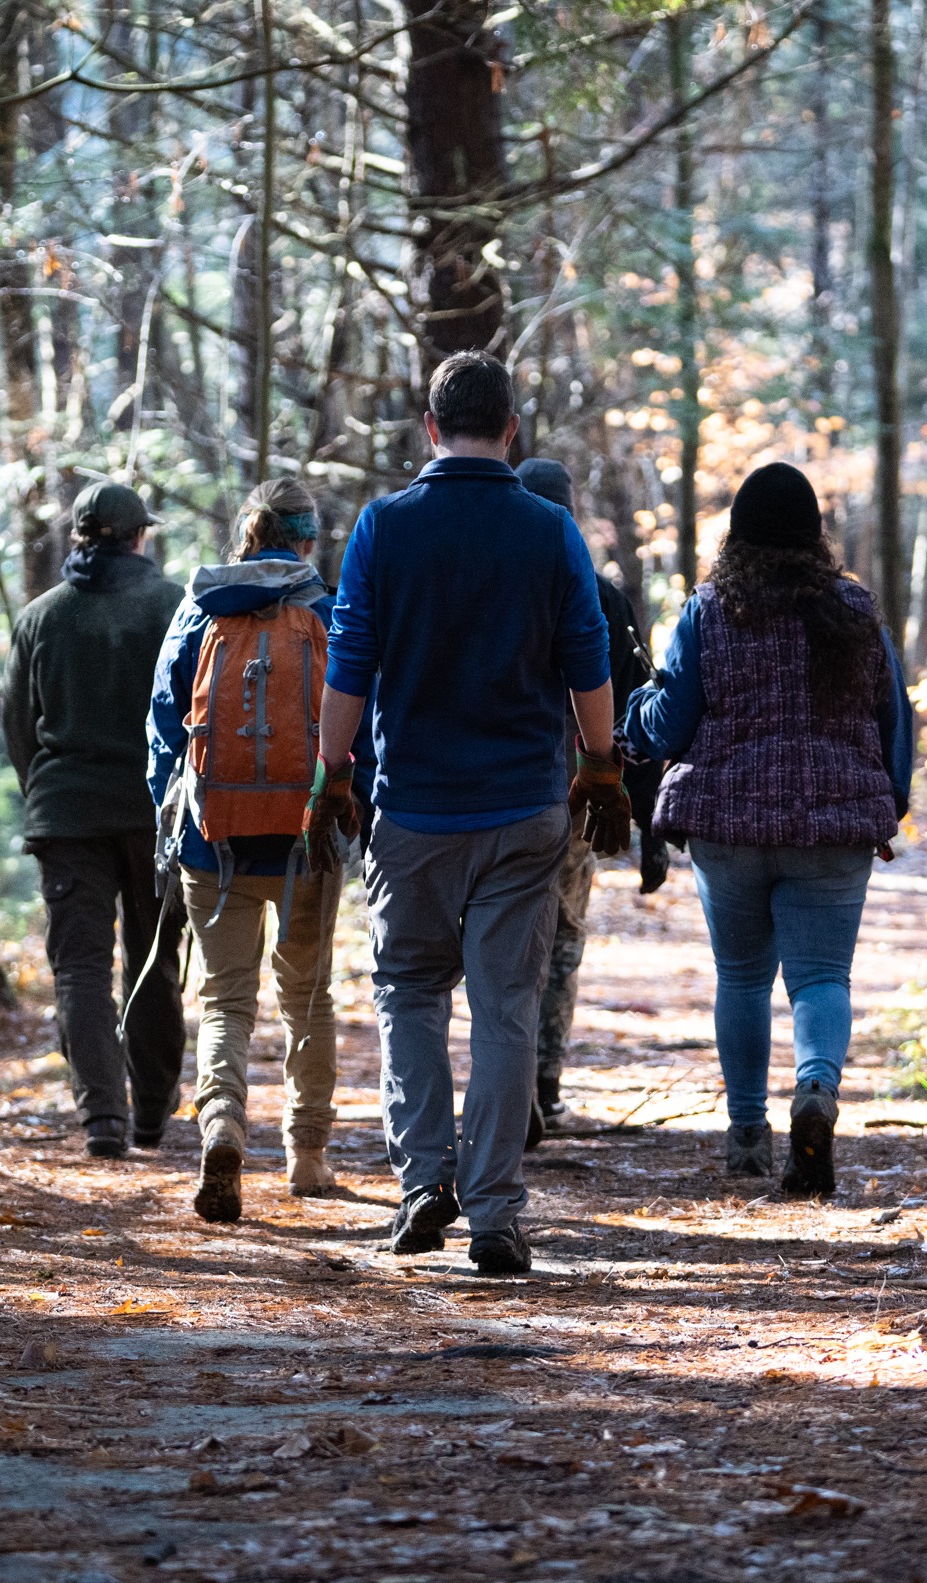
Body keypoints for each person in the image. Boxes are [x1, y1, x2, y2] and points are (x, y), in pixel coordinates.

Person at [306, 353, 631, 1276]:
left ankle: (422, 1186)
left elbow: (350, 664)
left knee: (409, 989)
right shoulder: (549, 530)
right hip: (524, 806)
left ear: (430, 427)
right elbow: (588, 661)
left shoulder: (383, 527)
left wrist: (333, 772)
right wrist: (600, 767)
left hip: (410, 809)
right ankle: (494, 1212)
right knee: (504, 1008)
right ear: (514, 429)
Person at [624, 463, 914, 1198]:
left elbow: (670, 722)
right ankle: (815, 1088)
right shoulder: (856, 612)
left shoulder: (710, 610)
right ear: (814, 535)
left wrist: (633, 718)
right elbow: (894, 720)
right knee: (820, 977)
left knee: (743, 977)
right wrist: (888, 802)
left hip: (730, 823)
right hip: (835, 825)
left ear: (738, 535)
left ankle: (747, 1134)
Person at [146, 479, 345, 1222]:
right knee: (307, 995)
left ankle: (223, 1122)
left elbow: (166, 721)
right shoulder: (325, 608)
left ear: (247, 531)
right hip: (305, 835)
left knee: (226, 997)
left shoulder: (203, 604)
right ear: (306, 540)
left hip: (213, 836)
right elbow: (360, 711)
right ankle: (308, 1155)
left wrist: (170, 816)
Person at [3, 481, 189, 1160]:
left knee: (80, 968)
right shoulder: (173, 606)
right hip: (153, 813)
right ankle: (150, 1112)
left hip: (67, 815)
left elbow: (18, 728)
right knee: (154, 959)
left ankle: (102, 1118)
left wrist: (48, 794)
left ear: (80, 538)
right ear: (140, 536)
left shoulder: (41, 617)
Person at [513, 458, 653, 1146]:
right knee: (564, 936)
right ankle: (542, 1082)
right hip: (579, 790)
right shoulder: (602, 596)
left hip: (500, 787)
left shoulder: (492, 584)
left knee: (505, 934)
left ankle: (507, 1081)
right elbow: (636, 709)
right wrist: (648, 818)